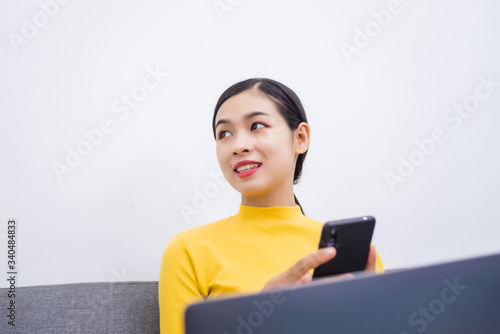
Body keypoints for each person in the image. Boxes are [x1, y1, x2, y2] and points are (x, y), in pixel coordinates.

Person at [158, 78, 384, 334]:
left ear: (300, 138)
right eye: (224, 134)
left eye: (256, 126)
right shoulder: (188, 251)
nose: (238, 146)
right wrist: (261, 316)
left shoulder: (355, 252)